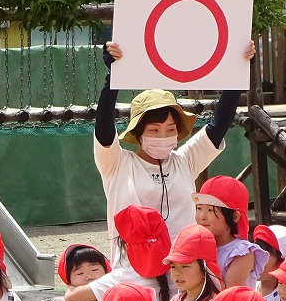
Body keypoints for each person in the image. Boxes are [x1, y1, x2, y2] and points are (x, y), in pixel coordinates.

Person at [94, 41, 254, 263]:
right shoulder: (117, 164)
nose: (163, 136)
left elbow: (219, 125)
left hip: (184, 272)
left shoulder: (184, 161)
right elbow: (104, 130)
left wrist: (238, 69)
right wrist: (113, 77)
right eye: (154, 130)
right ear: (137, 133)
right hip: (133, 272)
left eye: (170, 129)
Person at [193, 176, 267, 289]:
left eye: (210, 210)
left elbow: (229, 295)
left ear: (234, 216)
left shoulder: (242, 252)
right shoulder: (195, 244)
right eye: (199, 208)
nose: (202, 217)